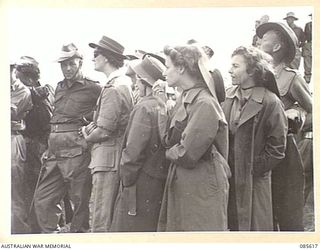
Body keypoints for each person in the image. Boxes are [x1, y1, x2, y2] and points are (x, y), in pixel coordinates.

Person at [157, 44, 230, 231]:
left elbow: (186, 153)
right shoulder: (186, 98)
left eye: (167, 66)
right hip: (188, 179)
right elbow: (170, 139)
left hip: (202, 182)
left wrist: (167, 152)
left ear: (181, 68)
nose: (164, 73)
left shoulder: (204, 102)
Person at [32, 43, 102, 233]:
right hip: (54, 151)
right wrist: (49, 147)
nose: (68, 68)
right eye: (64, 65)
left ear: (80, 63)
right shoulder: (59, 87)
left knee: (80, 200)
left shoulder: (93, 88)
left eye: (71, 64)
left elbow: (106, 112)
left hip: (76, 150)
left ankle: (80, 239)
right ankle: (53, 238)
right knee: (43, 199)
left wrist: (87, 125)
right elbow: (56, 118)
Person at [222, 46, 287, 231]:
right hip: (228, 178)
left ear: (251, 70)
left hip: (254, 183)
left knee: (254, 230)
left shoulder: (271, 102)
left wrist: (251, 169)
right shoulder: (227, 97)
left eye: (235, 66)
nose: (229, 70)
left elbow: (277, 149)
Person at [257, 22, 312, 231]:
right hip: (261, 148)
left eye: (265, 38)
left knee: (287, 210)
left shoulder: (291, 77)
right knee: (264, 208)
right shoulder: (258, 74)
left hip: (284, 152)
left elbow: (312, 110)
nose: (259, 41)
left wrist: (295, 116)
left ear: (278, 47)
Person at [80, 35, 133, 232]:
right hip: (110, 157)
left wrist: (87, 135)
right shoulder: (121, 84)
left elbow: (103, 130)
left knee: (100, 215)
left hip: (107, 159)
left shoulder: (113, 87)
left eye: (96, 54)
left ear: (107, 58)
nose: (93, 58)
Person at [111, 55, 168, 232]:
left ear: (144, 82)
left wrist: (126, 180)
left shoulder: (144, 107)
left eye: (138, 79)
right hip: (156, 182)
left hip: (138, 184)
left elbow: (133, 152)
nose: (135, 84)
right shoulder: (164, 105)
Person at [13, 56, 55, 231]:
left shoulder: (33, 94)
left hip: (35, 144)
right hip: (39, 143)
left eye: (17, 73)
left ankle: (35, 226)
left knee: (32, 187)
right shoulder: (44, 91)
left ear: (26, 76)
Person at [11, 62, 33, 234]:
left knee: (13, 189)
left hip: (12, 140)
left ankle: (18, 233)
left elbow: (10, 113)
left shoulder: (21, 91)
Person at [302, 14, 312, 83]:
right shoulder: (308, 25)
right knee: (308, 63)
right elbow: (305, 36)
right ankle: (307, 78)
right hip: (309, 44)